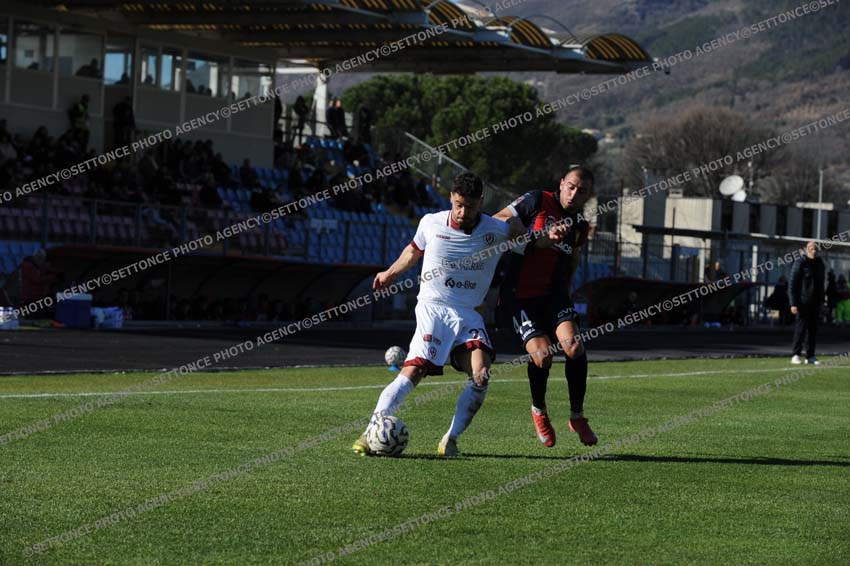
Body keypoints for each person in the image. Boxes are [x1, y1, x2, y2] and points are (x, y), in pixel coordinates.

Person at [352, 173, 525, 457]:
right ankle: (370, 432)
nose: (463, 212)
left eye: (470, 206)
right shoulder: (431, 222)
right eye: (458, 205)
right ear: (451, 198)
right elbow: (412, 252)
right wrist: (390, 273)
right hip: (434, 308)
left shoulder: (497, 230)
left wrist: (535, 231)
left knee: (481, 376)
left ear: (481, 202)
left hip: (469, 314)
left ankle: (450, 439)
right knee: (414, 370)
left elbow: (533, 243)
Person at [493, 166, 598, 447]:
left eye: (582, 191)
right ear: (561, 183)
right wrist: (532, 236)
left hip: (554, 295)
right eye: (571, 187)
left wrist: (567, 292)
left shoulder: (580, 225)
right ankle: (539, 410)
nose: (574, 194)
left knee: (574, 346)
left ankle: (577, 416)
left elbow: (573, 258)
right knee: (542, 357)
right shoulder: (537, 200)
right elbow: (499, 219)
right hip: (520, 295)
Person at [789, 241, 825, 365]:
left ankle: (810, 356)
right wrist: (793, 303)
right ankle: (795, 354)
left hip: (816, 302)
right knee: (801, 329)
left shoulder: (820, 264)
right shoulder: (800, 263)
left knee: (813, 330)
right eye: (811, 248)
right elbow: (792, 284)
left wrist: (822, 301)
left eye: (815, 249)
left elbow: (821, 284)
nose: (813, 251)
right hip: (802, 302)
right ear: (805, 249)